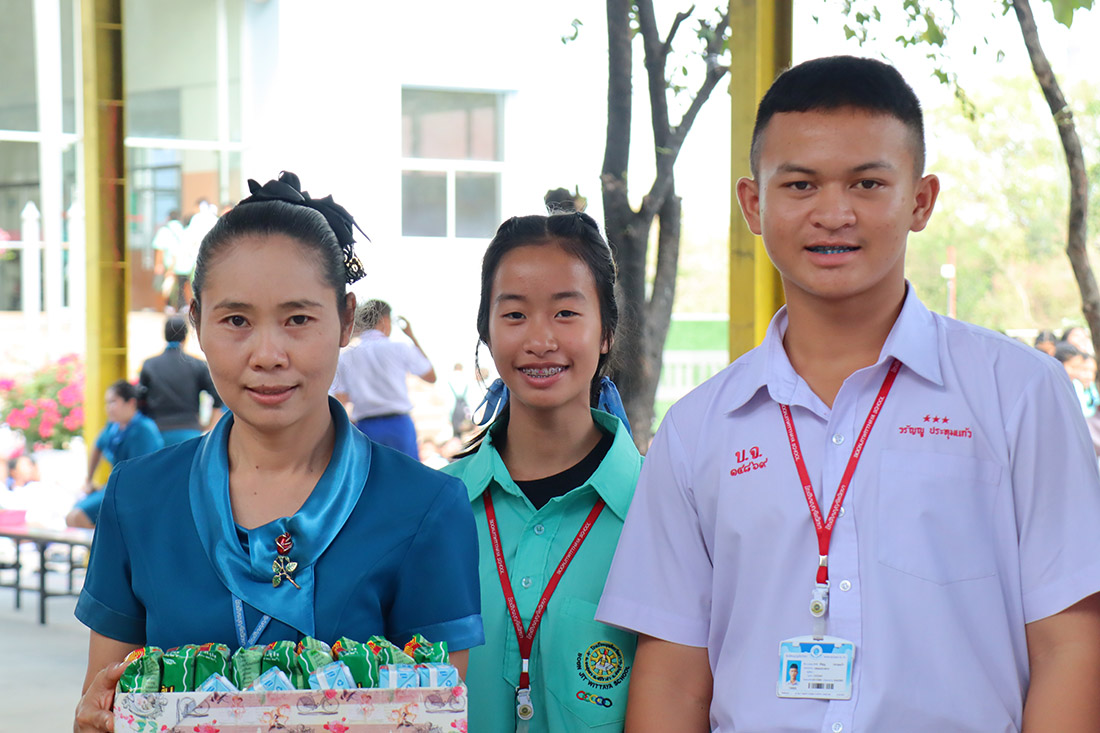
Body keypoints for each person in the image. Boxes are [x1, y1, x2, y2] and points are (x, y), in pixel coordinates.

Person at [596, 56, 1100, 732]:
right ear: (754, 204)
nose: (834, 214)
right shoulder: (697, 430)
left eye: (868, 183)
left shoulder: (1020, 395)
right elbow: (673, 677)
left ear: (920, 201)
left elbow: (1072, 644)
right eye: (800, 184)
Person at [73, 172, 483, 732]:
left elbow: (434, 716)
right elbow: (103, 701)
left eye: (298, 319)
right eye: (236, 320)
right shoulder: (138, 497)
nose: (268, 354)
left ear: (345, 319)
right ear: (197, 321)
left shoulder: (425, 508)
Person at [441, 213, 643, 732]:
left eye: (566, 313)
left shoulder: (659, 510)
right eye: (514, 315)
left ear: (606, 331)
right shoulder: (433, 509)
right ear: (486, 332)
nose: (540, 339)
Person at [330, 300, 436, 458]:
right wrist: (411, 336)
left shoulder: (347, 357)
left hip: (365, 427)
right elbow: (430, 376)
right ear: (384, 321)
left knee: (370, 472)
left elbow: (341, 398)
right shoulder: (399, 348)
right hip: (398, 424)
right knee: (407, 471)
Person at [66, 381, 164, 529]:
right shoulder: (113, 427)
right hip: (117, 489)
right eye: (107, 403)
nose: (108, 408)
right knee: (72, 516)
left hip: (134, 494)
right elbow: (98, 447)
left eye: (113, 402)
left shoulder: (144, 430)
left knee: (78, 517)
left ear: (131, 403)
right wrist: (89, 480)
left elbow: (141, 475)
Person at [138, 315, 224, 444]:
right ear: (185, 337)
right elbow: (217, 396)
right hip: (189, 432)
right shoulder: (197, 365)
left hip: (157, 433)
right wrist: (209, 424)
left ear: (164, 335)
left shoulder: (150, 365)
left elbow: (140, 399)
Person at [151, 210, 185, 313]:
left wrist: (158, 264)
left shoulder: (164, 231)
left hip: (169, 265)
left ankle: (168, 306)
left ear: (168, 218)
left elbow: (160, 249)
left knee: (167, 287)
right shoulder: (183, 229)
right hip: (184, 266)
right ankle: (181, 306)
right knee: (181, 287)